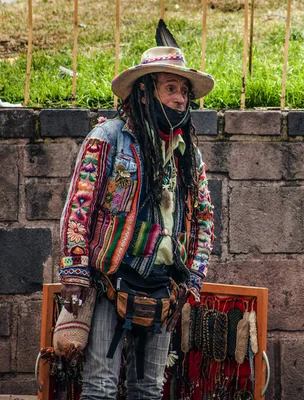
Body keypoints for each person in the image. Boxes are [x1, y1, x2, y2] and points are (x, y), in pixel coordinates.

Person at [57, 45, 215, 399]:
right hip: (109, 280)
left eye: (184, 92)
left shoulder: (188, 155)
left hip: (164, 287)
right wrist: (75, 271)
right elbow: (79, 206)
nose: (180, 99)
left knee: (148, 390)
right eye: (170, 89)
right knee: (100, 386)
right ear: (143, 93)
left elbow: (204, 219)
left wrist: (192, 281)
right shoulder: (109, 138)